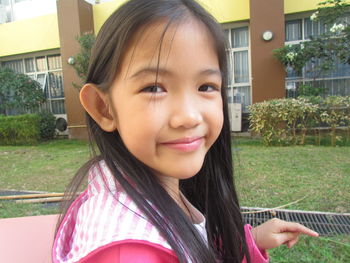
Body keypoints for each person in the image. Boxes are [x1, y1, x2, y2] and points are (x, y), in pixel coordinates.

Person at [52, 0, 319, 262]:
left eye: (205, 86)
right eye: (154, 88)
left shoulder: (153, 186)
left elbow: (188, 244)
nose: (189, 117)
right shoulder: (128, 252)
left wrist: (250, 242)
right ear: (104, 107)